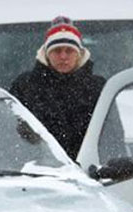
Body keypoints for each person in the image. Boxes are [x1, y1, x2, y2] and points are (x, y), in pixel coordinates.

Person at [10, 16, 107, 161]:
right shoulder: (25, 86)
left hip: (89, 169)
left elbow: (111, 135)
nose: (63, 56)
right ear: (47, 54)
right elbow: (7, 130)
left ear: (79, 54)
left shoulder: (97, 87)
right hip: (35, 170)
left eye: (69, 51)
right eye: (57, 50)